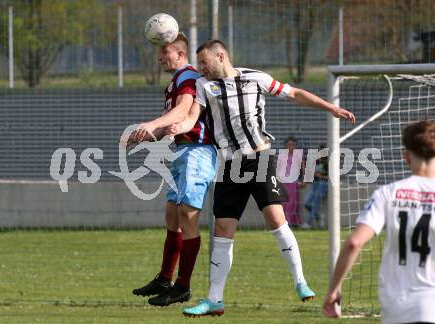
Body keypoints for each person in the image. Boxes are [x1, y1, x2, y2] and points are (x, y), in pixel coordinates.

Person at [136, 39, 355, 317]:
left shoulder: (256, 78)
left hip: (259, 158)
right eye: (199, 64)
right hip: (229, 165)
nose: (201, 68)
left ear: (221, 56)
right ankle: (215, 301)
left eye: (204, 62)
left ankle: (301, 281)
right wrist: (177, 126)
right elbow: (192, 117)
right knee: (222, 231)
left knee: (275, 219)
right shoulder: (205, 86)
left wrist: (331, 108)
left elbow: (295, 93)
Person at [127, 33, 217, 307]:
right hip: (182, 151)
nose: (159, 57)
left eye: (165, 53)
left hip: (198, 151)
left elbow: (183, 113)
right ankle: (165, 278)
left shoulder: (188, 76)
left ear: (180, 54)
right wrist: (147, 135)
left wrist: (150, 125)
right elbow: (174, 125)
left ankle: (183, 286)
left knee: (187, 215)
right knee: (172, 213)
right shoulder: (176, 81)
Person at [323, 120, 435, 324]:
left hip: (397, 309)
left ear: (407, 156)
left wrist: (333, 289)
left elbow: (354, 243)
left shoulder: (388, 193)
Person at [277, 136, 304, 226]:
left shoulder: (298, 155)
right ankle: (283, 222)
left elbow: (303, 169)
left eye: (293, 145)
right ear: (286, 145)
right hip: (283, 182)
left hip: (293, 182)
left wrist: (303, 180)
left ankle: (290, 222)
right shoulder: (281, 155)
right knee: (283, 203)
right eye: (289, 144)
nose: (291, 146)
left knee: (292, 203)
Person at [303, 143, 328, 229]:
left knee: (315, 203)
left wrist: (321, 176)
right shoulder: (316, 160)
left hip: (324, 183)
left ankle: (308, 223)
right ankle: (319, 216)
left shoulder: (329, 162)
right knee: (306, 203)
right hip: (315, 183)